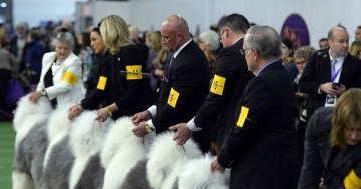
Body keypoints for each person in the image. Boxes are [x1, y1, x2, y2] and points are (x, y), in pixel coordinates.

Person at [210, 25, 301, 189]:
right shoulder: (281, 75)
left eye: (244, 52)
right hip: (279, 174)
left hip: (260, 179)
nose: (244, 56)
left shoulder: (260, 84)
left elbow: (243, 127)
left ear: (255, 53)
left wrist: (222, 158)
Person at [167, 13, 254, 153]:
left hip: (234, 126)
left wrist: (191, 126)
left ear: (226, 32)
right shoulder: (258, 51)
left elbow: (216, 97)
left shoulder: (228, 54)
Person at [131, 15, 210, 152]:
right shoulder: (177, 53)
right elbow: (167, 93)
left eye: (166, 37)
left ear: (179, 36)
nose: (162, 42)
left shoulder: (189, 60)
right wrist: (150, 112)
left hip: (184, 140)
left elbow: (176, 104)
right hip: (171, 134)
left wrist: (149, 125)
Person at [93, 15, 155, 122]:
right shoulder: (114, 53)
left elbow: (135, 90)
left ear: (110, 32)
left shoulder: (131, 52)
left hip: (137, 114)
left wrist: (109, 109)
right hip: (123, 114)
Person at [299, 26, 361, 122]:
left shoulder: (357, 63)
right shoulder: (318, 58)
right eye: (341, 41)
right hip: (319, 115)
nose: (345, 45)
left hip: (344, 115)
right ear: (330, 42)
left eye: (347, 41)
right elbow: (303, 84)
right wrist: (321, 87)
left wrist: (346, 92)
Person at [29, 26, 84, 108]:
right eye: (60, 48)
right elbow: (42, 82)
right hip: (50, 105)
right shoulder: (47, 57)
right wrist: (36, 95)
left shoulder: (75, 61)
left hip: (70, 106)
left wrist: (43, 93)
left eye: (66, 48)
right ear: (55, 46)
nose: (62, 51)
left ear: (71, 48)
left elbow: (66, 85)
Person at [68, 26, 110, 120]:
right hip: (96, 100)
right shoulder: (101, 57)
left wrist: (82, 105)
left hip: (114, 109)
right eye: (59, 48)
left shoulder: (76, 60)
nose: (91, 44)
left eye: (94, 40)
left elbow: (101, 89)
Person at [294, 45, 316, 164]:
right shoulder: (296, 78)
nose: (300, 66)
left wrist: (304, 96)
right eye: (297, 63)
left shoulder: (316, 77)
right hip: (298, 117)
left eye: (303, 62)